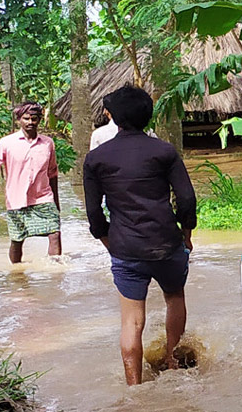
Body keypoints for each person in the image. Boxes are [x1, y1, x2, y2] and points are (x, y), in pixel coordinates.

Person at [83, 85, 198, 386]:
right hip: (166, 245)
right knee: (174, 298)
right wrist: (185, 233)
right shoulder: (163, 151)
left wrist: (108, 241)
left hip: (125, 249)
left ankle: (134, 387)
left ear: (114, 117)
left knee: (132, 322)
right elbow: (186, 199)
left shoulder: (97, 158)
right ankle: (173, 360)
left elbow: (94, 213)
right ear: (148, 116)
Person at [0, 101, 62, 262]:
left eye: (34, 118)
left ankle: (56, 273)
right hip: (16, 199)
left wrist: (56, 202)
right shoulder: (7, 143)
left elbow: (52, 173)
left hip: (43, 198)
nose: (30, 122)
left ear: (40, 120)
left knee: (54, 233)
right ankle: (17, 274)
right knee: (17, 240)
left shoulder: (48, 143)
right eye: (26, 118)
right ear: (19, 120)